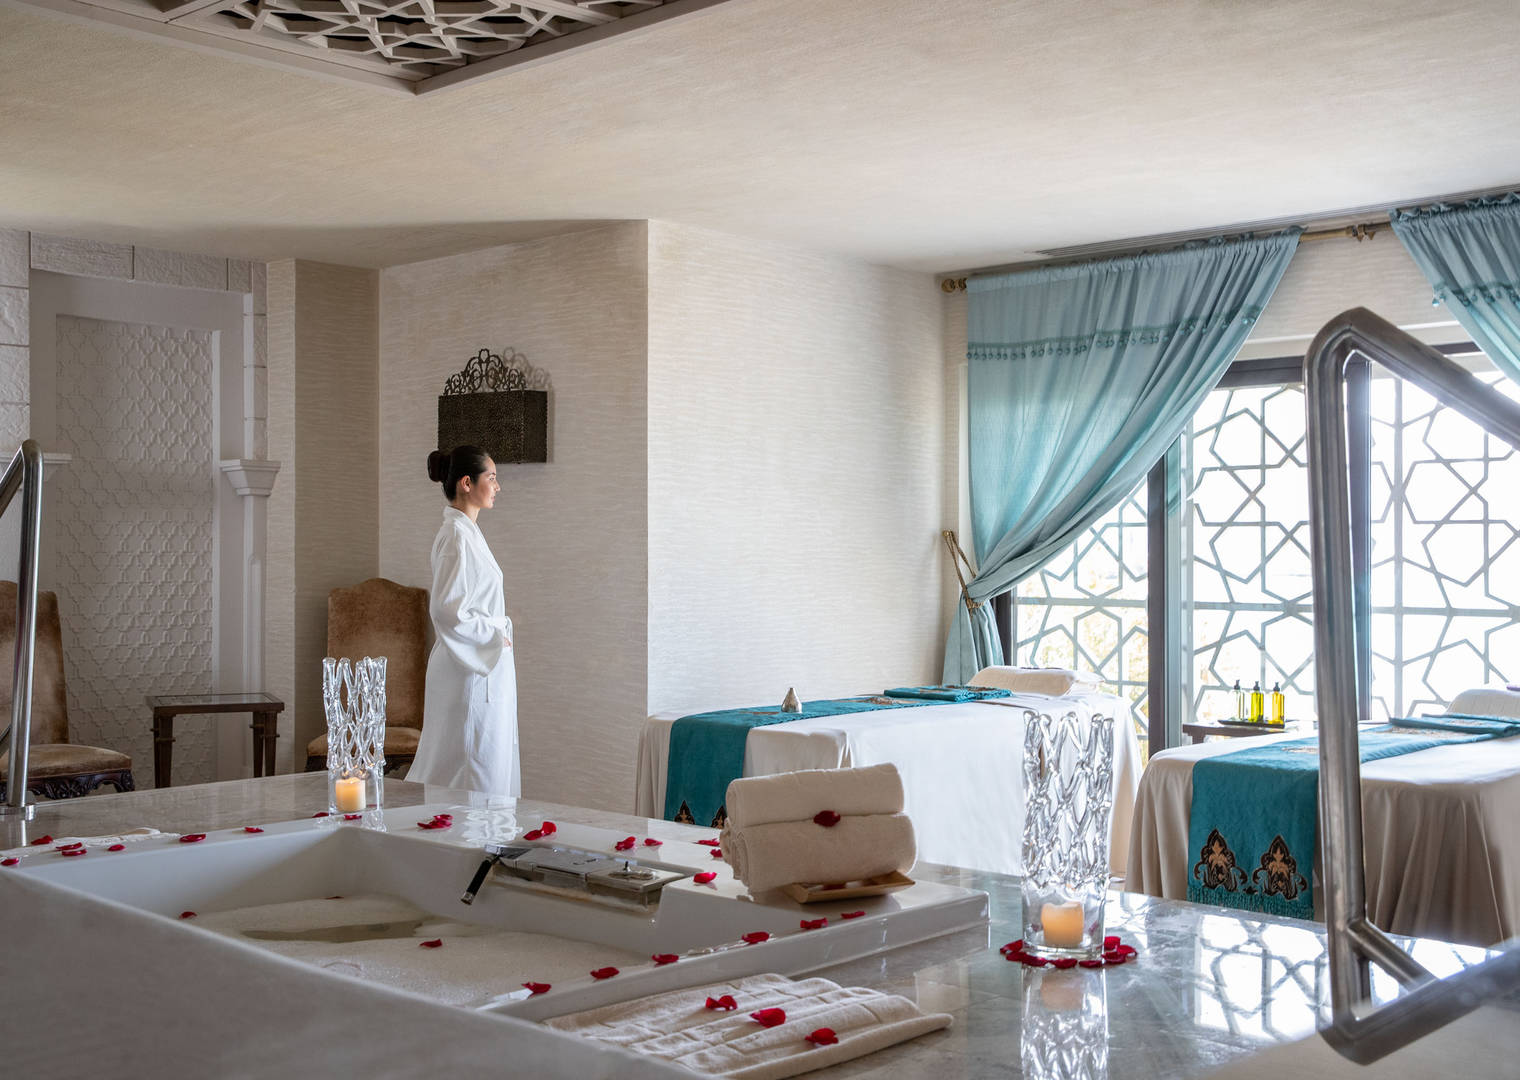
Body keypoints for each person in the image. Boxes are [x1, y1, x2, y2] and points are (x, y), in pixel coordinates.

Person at [408, 445, 520, 796]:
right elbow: (446, 609)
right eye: (492, 477)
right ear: (467, 483)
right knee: (470, 766)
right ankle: (463, 845)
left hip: (479, 664)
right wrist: (493, 632)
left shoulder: (467, 533)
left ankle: (482, 842)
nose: (498, 486)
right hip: (468, 669)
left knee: (484, 760)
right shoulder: (456, 537)